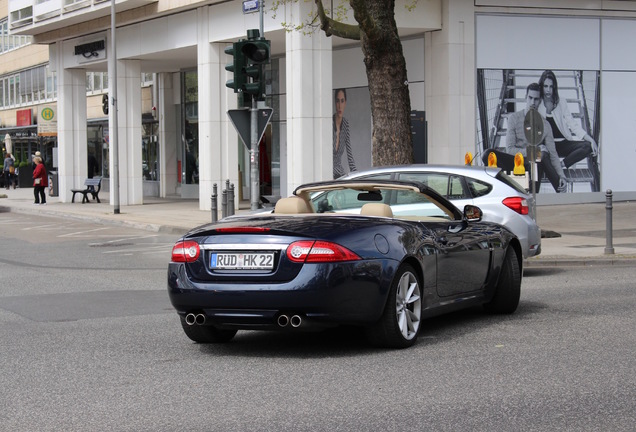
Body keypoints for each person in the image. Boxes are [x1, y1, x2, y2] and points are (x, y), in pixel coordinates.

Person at [504, 83, 567, 193]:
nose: (533, 102)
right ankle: (558, 190)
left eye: (536, 99)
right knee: (540, 153)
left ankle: (556, 187)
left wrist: (562, 176)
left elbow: (553, 154)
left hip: (536, 166)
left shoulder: (545, 125)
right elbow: (509, 150)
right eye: (530, 98)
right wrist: (534, 152)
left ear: (541, 100)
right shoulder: (513, 119)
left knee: (542, 156)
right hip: (518, 163)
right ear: (525, 98)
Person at [538, 70, 598, 169]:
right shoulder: (538, 103)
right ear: (541, 86)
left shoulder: (561, 102)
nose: (548, 90)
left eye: (551, 86)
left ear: (554, 87)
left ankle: (561, 165)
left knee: (588, 146)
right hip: (547, 145)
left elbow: (572, 124)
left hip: (563, 144)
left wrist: (591, 140)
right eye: (545, 86)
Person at [333, 88, 356, 178]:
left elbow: (350, 156)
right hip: (327, 173)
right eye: (337, 101)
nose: (339, 106)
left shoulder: (345, 124)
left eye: (342, 101)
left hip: (339, 174)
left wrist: (357, 176)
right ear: (335, 102)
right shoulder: (329, 123)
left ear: (345, 103)